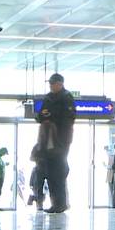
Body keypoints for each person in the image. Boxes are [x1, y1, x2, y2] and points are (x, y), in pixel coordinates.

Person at [36, 73, 76, 213]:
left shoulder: (66, 97)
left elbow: (68, 118)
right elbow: (40, 115)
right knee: (50, 172)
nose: (51, 86)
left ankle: (61, 203)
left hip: (60, 140)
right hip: (47, 139)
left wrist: (51, 117)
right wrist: (46, 116)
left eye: (53, 83)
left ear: (60, 84)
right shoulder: (48, 98)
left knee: (58, 171)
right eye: (50, 84)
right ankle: (55, 203)